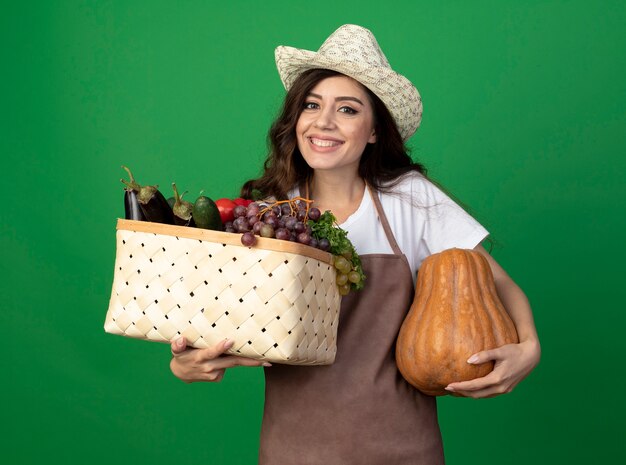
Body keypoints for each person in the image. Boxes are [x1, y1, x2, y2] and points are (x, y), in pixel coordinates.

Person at [170, 24, 541, 464]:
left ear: (374, 131)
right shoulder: (269, 218)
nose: (323, 122)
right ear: (297, 119)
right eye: (312, 105)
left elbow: (498, 285)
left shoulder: (411, 199)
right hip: (294, 451)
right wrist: (185, 363)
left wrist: (529, 347)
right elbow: (214, 327)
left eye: (347, 109)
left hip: (405, 449)